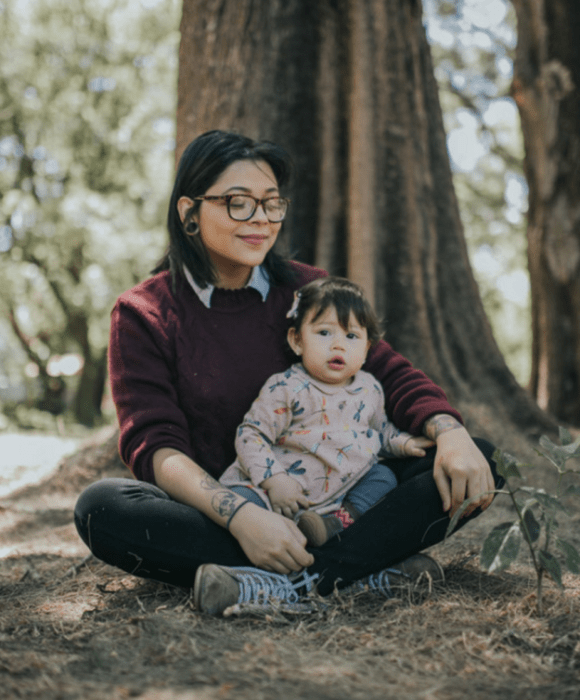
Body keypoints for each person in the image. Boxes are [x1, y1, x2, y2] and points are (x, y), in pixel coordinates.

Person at [74, 129, 501, 617]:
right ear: (189, 212)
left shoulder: (311, 291)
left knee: (475, 459)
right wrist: (244, 519)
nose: (260, 219)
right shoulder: (144, 313)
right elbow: (155, 447)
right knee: (102, 508)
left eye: (272, 203)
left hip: (341, 507)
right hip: (228, 505)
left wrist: (450, 432)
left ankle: (289, 584)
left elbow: (390, 372)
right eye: (238, 203)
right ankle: (360, 574)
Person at [220, 276, 435, 547]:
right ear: (297, 341)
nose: (338, 345)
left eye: (352, 336)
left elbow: (378, 431)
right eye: (324, 333)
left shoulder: (370, 388)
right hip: (275, 491)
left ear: (367, 349)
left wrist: (402, 442)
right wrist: (274, 480)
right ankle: (260, 543)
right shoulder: (288, 386)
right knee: (242, 501)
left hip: (336, 495)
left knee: (383, 477)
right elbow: (251, 435)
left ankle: (335, 524)